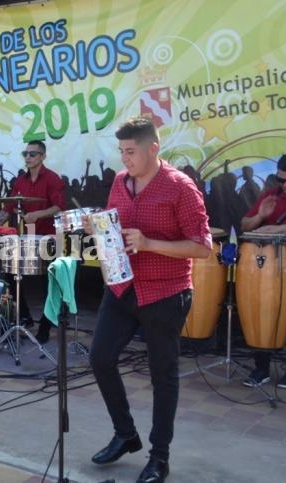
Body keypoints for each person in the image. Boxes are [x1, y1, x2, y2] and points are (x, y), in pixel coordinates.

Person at [86, 116, 211, 483]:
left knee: (163, 375)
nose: (125, 159)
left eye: (131, 151)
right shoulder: (119, 182)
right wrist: (99, 227)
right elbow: (115, 223)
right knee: (100, 358)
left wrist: (149, 243)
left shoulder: (180, 187)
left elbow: (203, 247)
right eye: (121, 151)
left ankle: (160, 456)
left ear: (153, 148)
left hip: (165, 293)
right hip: (122, 287)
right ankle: (125, 434)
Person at [240, 153, 286, 389]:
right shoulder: (270, 195)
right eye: (281, 180)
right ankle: (261, 369)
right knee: (264, 316)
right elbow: (245, 224)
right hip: (268, 271)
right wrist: (261, 215)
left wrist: (279, 227)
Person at [0, 140, 65, 343]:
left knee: (47, 283)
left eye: (33, 154)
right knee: (9, 273)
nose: (28, 157)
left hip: (48, 237)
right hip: (28, 236)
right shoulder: (20, 181)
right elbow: (8, 207)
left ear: (42, 156)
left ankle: (46, 325)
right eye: (26, 154)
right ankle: (23, 316)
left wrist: (39, 214)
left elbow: (59, 206)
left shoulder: (52, 178)